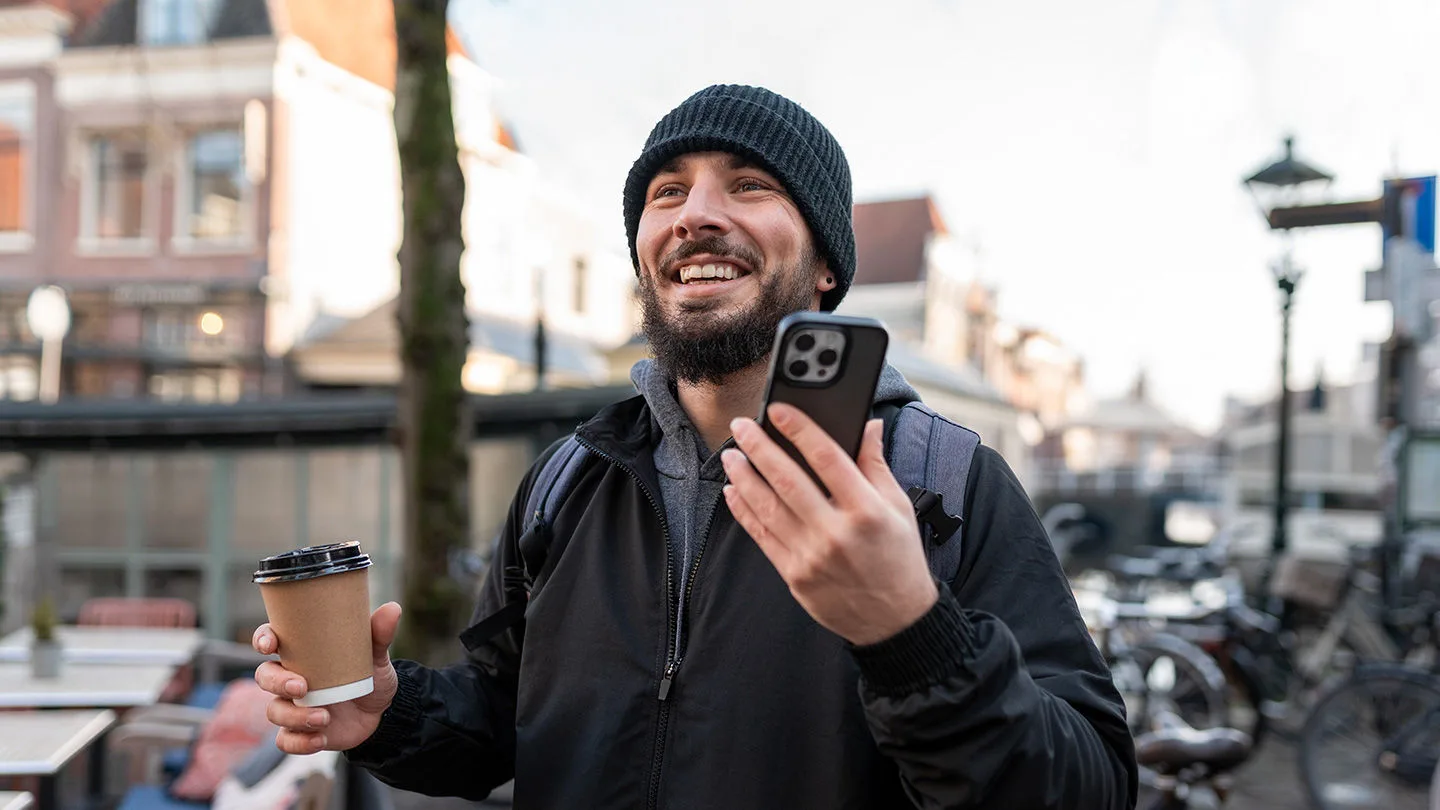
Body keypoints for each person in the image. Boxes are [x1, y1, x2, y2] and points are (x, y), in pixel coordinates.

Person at [253, 84, 1137, 809]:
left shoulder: (941, 483)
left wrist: (912, 636)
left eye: (749, 185)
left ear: (827, 263)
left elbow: (1089, 788)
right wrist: (392, 713)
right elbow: (500, 720)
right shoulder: (567, 484)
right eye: (665, 193)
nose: (694, 215)